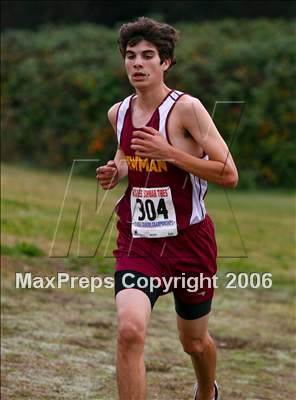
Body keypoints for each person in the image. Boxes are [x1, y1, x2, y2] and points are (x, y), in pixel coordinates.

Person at [96, 16, 238, 400]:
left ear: (166, 63)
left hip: (190, 242)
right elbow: (127, 153)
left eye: (147, 56)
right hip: (138, 242)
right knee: (129, 330)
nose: (137, 63)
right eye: (130, 56)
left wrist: (169, 153)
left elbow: (228, 173)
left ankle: (207, 391)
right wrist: (117, 170)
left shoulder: (187, 109)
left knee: (194, 342)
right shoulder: (118, 113)